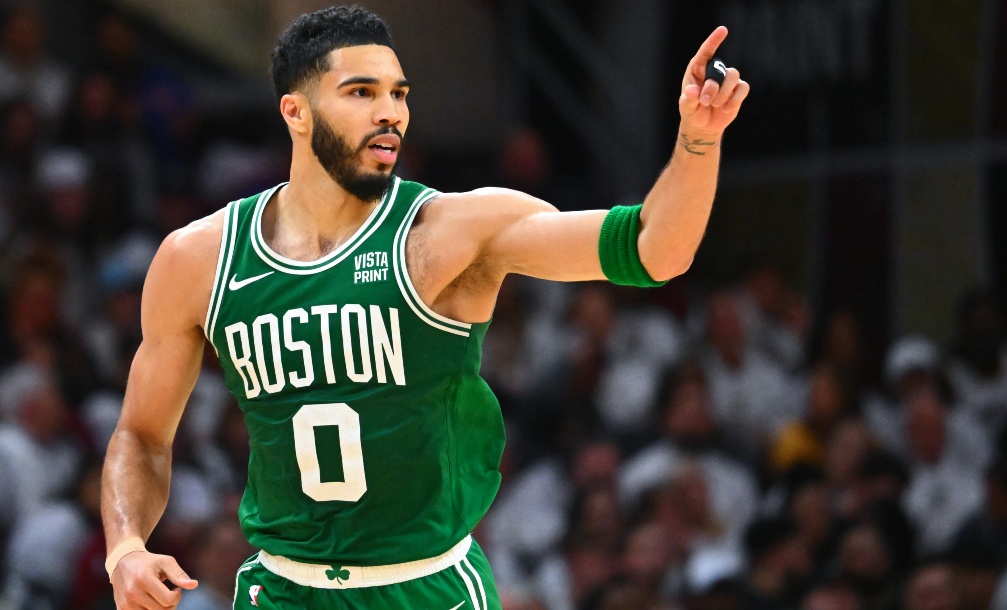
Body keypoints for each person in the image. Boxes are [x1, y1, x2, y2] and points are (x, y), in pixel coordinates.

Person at [100, 5, 749, 610]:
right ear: (296, 112)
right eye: (362, 93)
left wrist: (697, 140)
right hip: (283, 586)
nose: (390, 112)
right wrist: (125, 545)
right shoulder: (198, 258)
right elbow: (141, 436)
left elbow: (653, 250)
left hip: (426, 586)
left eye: (398, 94)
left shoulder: (450, 230)